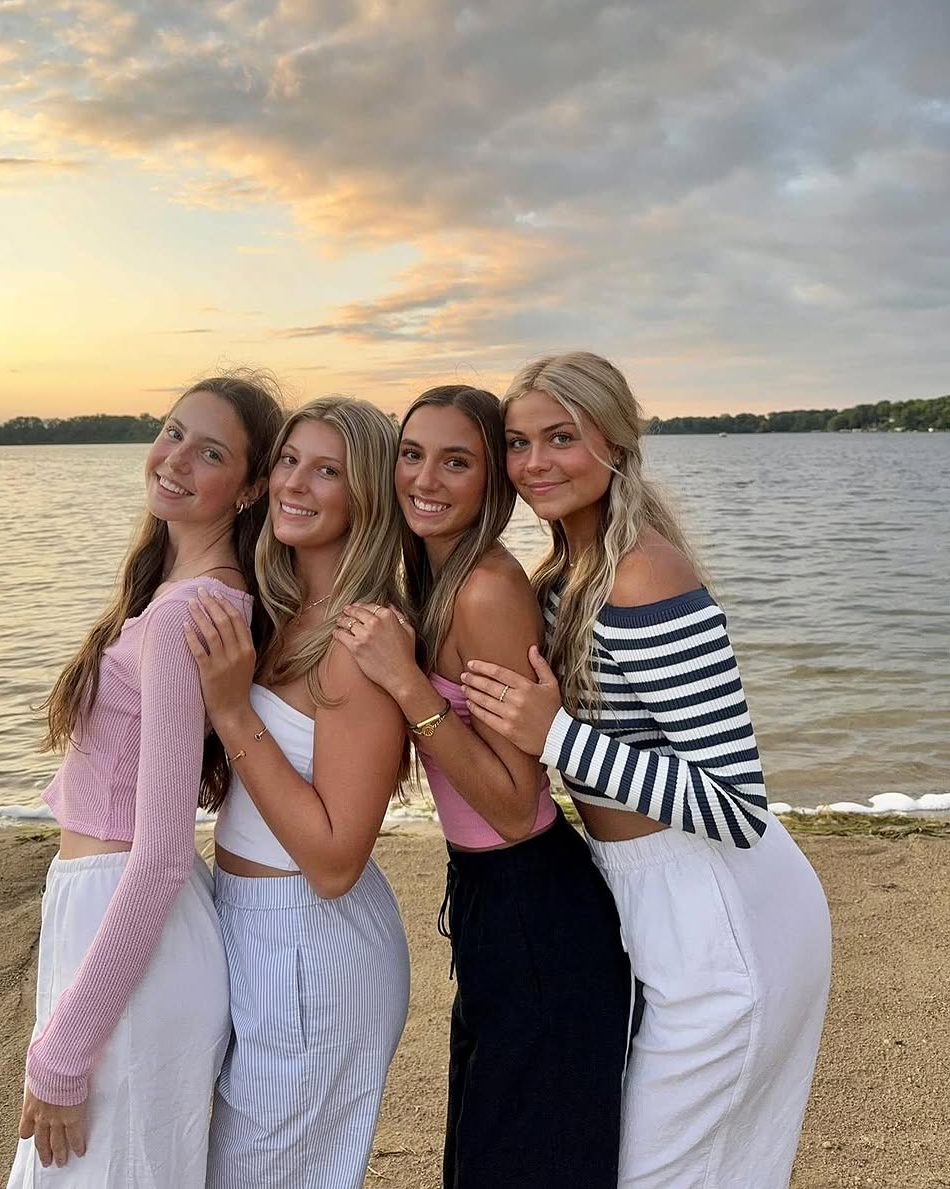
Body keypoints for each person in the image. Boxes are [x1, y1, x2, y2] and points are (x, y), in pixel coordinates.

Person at [462, 351, 832, 1189]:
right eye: (518, 442)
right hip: (641, 898)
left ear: (616, 442)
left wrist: (556, 736)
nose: (535, 462)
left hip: (720, 905)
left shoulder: (642, 573)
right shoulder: (560, 579)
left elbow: (736, 803)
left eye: (562, 437)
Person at [335, 384, 631, 1189]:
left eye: (456, 461)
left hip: (536, 905)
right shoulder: (431, 580)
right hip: (491, 897)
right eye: (412, 454)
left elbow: (510, 801)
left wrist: (408, 685)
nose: (425, 478)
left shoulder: (486, 589)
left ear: (492, 480)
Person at [7, 371, 284, 1188]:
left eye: (211, 452)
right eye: (172, 431)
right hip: (111, 918)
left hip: (128, 918)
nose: (175, 458)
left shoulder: (184, 615)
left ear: (251, 488)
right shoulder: (181, 595)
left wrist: (63, 1050)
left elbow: (161, 856)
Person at [183, 396, 411, 1189]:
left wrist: (232, 709)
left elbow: (336, 859)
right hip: (252, 922)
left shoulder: (359, 640)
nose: (294, 483)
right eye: (288, 460)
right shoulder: (282, 611)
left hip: (311, 939)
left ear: (367, 496)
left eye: (326, 471)